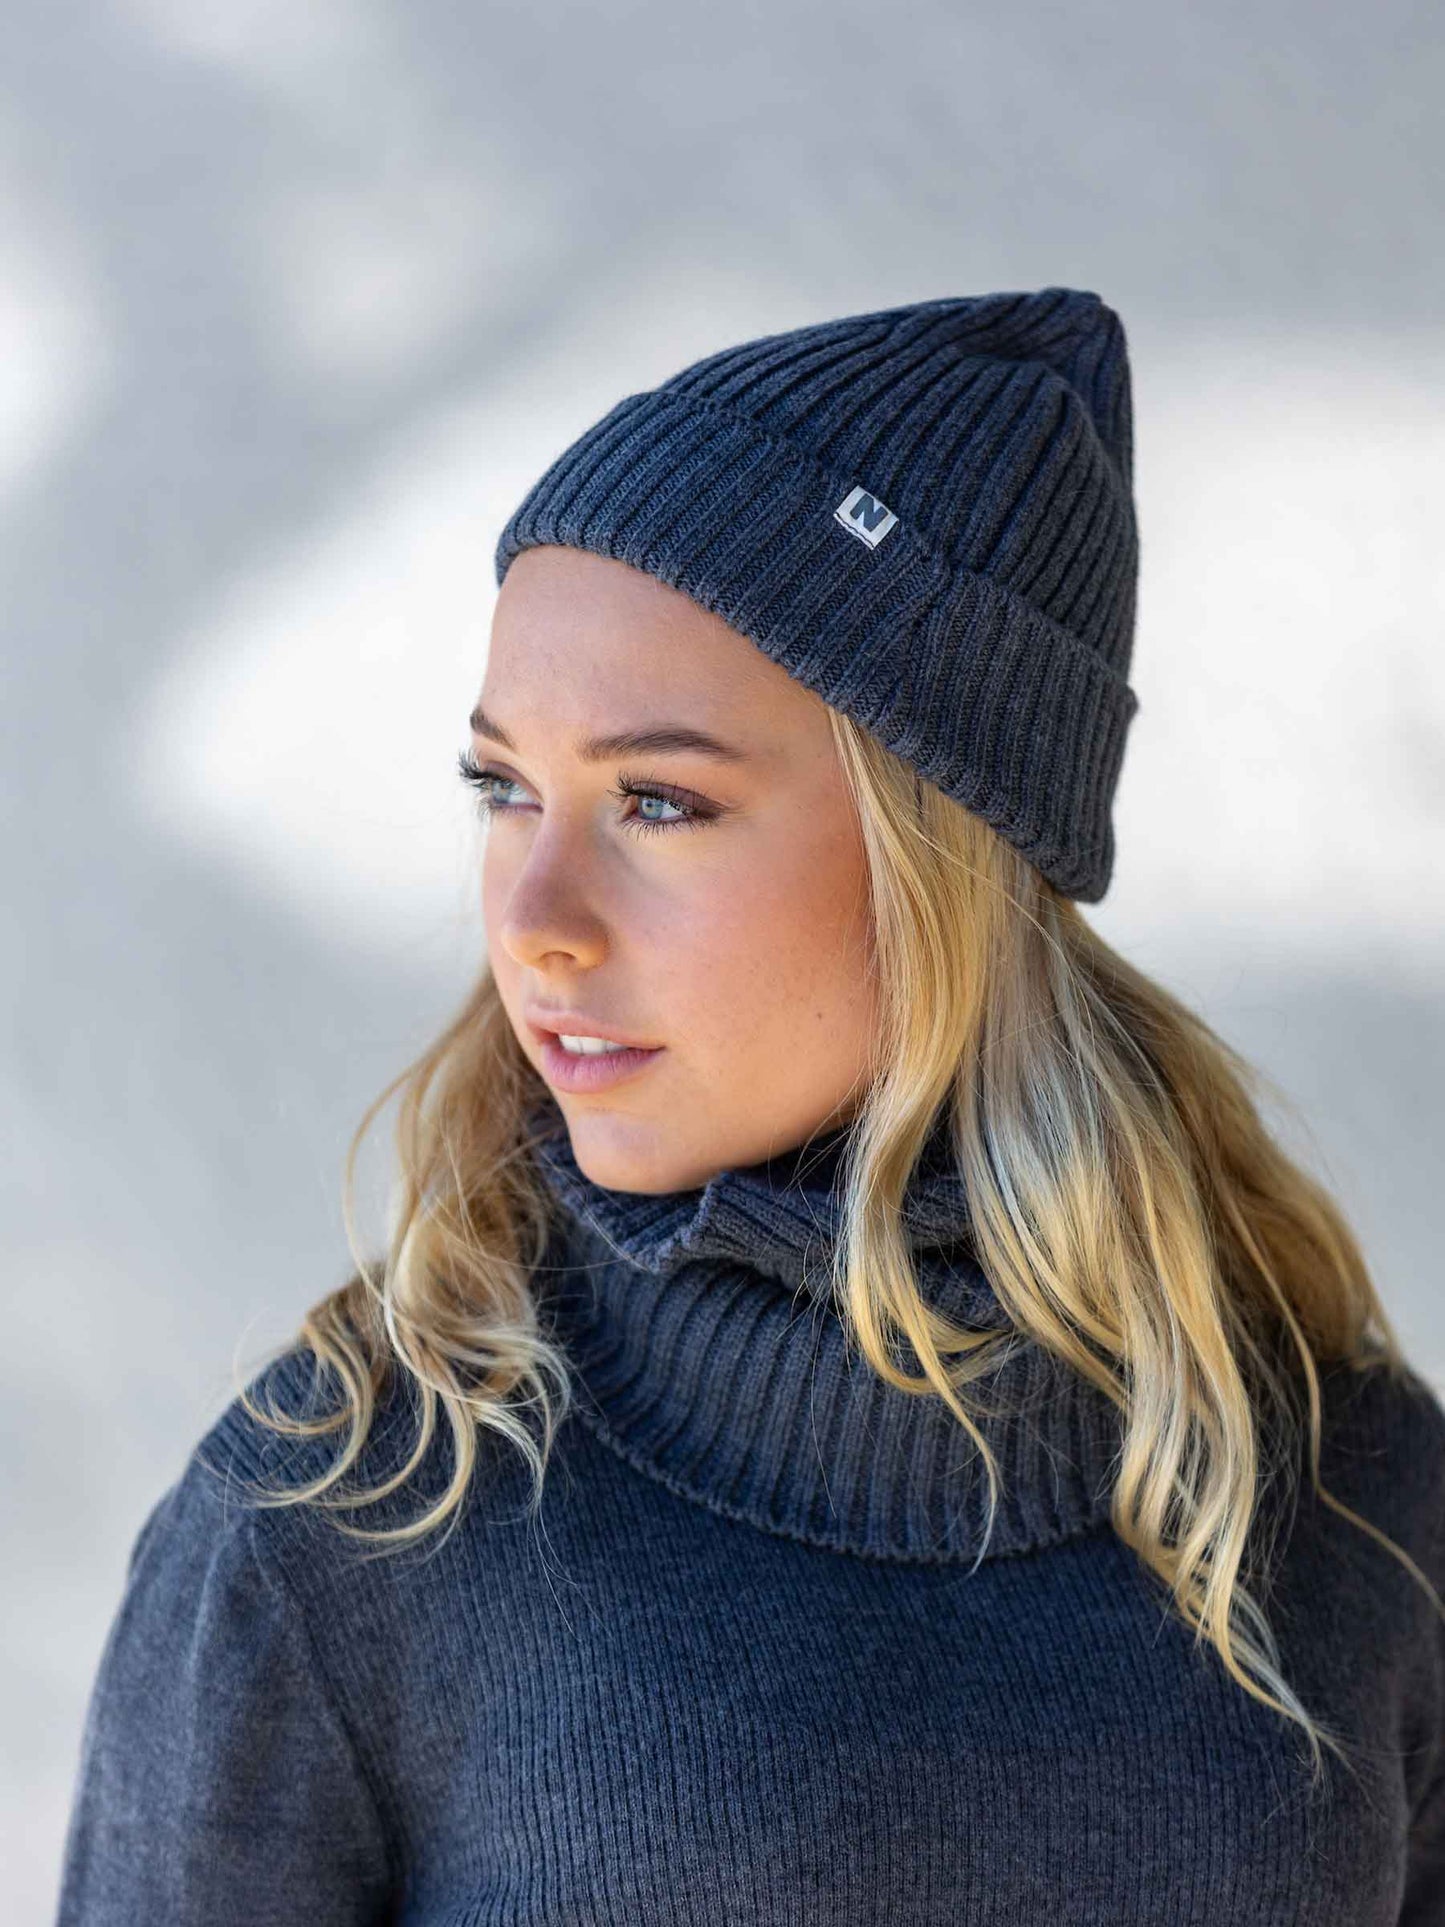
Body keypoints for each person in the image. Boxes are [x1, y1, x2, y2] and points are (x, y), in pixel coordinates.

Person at [56, 287, 1445, 1923]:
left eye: (658, 800)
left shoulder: (1347, 1492)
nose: (534, 918)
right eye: (503, 788)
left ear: (947, 850)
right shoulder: (347, 1522)